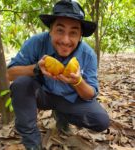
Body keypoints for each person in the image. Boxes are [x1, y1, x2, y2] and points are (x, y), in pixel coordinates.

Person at [7, 0, 110, 149]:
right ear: (51, 30)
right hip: (42, 94)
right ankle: (32, 142)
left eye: (73, 32)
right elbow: (9, 74)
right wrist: (36, 68)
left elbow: (90, 94)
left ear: (80, 35)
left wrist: (77, 81)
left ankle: (62, 116)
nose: (65, 40)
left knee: (101, 120)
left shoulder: (88, 55)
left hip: (69, 100)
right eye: (60, 30)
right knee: (21, 84)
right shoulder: (36, 43)